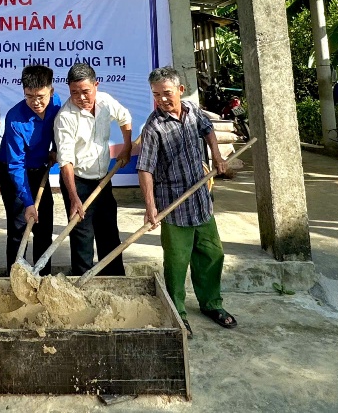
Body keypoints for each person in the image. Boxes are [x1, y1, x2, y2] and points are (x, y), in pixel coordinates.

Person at [137, 66, 235, 339]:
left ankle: (211, 304)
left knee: (212, 254)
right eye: (156, 94)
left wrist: (217, 156)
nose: (161, 99)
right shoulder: (154, 126)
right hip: (174, 205)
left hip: (201, 199)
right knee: (177, 263)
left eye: (166, 93)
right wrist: (150, 206)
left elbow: (208, 129)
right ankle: (177, 313)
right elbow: (145, 169)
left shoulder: (193, 111)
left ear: (180, 90)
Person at [54, 63, 132, 276]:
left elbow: (125, 118)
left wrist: (127, 147)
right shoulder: (65, 118)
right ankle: (82, 281)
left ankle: (115, 278)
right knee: (82, 234)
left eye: (85, 91)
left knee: (109, 231)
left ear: (96, 85)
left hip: (102, 179)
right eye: (74, 92)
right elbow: (66, 162)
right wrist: (74, 198)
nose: (81, 97)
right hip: (77, 180)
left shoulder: (105, 101)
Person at [0, 65, 61, 275]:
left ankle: (43, 277)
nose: (36, 102)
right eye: (29, 96)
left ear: (51, 91)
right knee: (19, 227)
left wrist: (55, 149)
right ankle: (16, 277)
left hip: (39, 170)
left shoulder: (57, 104)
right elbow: (16, 165)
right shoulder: (15, 118)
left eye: (41, 96)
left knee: (44, 225)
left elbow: (59, 130)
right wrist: (28, 202)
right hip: (13, 172)